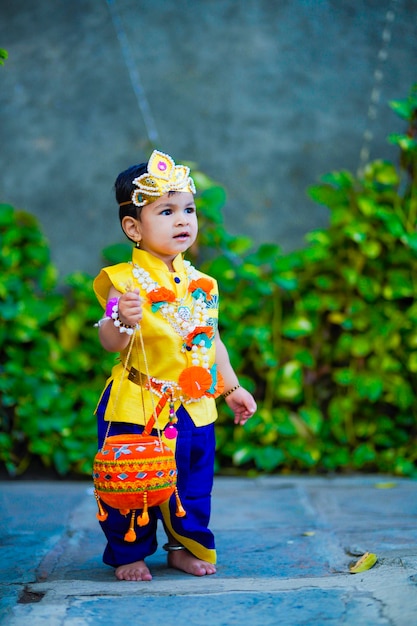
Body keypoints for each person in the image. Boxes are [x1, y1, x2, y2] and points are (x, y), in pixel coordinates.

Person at [93, 149, 257, 581]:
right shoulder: (123, 282)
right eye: (166, 211)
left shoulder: (204, 284)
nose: (183, 219)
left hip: (194, 403)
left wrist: (231, 387)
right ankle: (129, 552)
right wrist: (120, 319)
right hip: (139, 403)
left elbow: (213, 340)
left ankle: (183, 547)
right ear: (133, 227)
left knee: (194, 485)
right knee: (133, 480)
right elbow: (109, 341)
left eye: (188, 209)